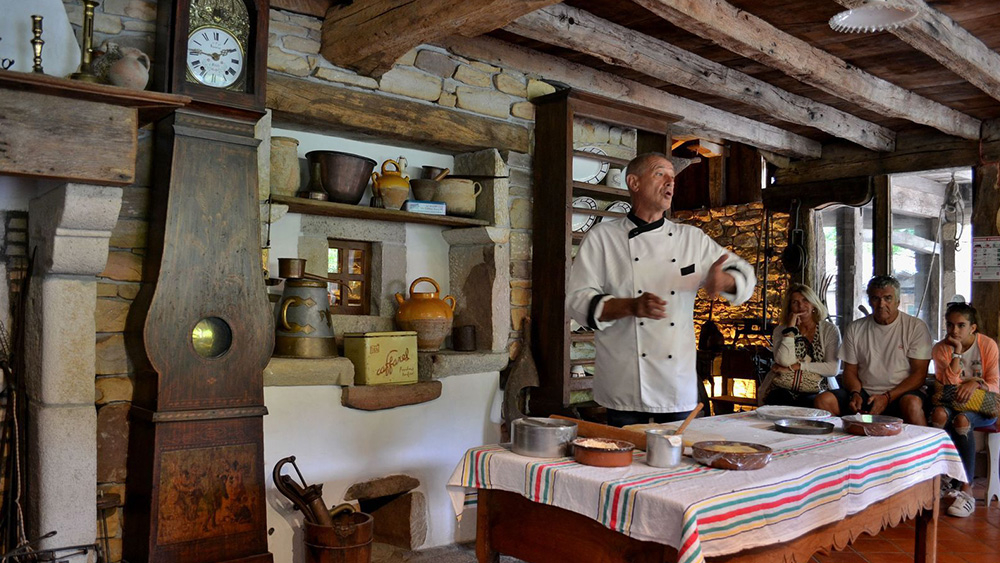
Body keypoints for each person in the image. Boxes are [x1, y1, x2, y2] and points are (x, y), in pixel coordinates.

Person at [566, 152, 756, 427]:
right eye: (660, 174)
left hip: (676, 384)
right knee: (623, 466)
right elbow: (577, 301)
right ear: (634, 183)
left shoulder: (691, 239)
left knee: (676, 465)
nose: (671, 181)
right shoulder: (603, 238)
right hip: (625, 384)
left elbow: (746, 275)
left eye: (672, 176)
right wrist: (631, 306)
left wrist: (724, 282)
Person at [814, 275, 932, 425]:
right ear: (869, 301)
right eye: (876, 298)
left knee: (912, 405)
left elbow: (919, 375)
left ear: (898, 301)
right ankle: (842, 444)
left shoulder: (915, 327)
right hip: (865, 393)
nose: (881, 304)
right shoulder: (856, 328)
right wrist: (855, 393)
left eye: (888, 298)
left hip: (901, 393)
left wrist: (887, 397)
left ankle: (924, 447)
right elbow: (850, 371)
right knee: (823, 401)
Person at [930, 302, 999, 518]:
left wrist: (976, 384)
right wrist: (957, 353)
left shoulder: (987, 345)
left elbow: (995, 383)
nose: (954, 331)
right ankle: (942, 477)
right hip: (951, 402)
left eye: (961, 325)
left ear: (973, 328)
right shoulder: (941, 348)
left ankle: (966, 489)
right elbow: (949, 383)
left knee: (962, 421)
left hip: (981, 407)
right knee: (938, 415)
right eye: (950, 325)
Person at [759, 284, 841, 407]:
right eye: (795, 302)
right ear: (789, 307)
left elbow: (832, 369)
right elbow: (784, 361)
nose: (800, 306)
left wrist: (799, 366)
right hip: (782, 387)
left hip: (816, 389)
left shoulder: (829, 330)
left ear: (813, 304)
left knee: (809, 403)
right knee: (777, 400)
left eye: (805, 300)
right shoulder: (780, 330)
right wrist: (790, 331)